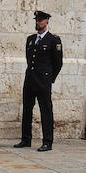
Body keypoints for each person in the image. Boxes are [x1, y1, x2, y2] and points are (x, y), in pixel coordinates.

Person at [16, 10, 62, 151]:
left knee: (46, 111)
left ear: (47, 22)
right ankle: (26, 139)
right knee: (27, 110)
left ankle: (47, 142)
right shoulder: (30, 39)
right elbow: (29, 59)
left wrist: (49, 79)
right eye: (37, 20)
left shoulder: (53, 40)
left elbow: (58, 63)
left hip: (43, 82)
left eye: (41, 20)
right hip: (30, 80)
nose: (38, 23)